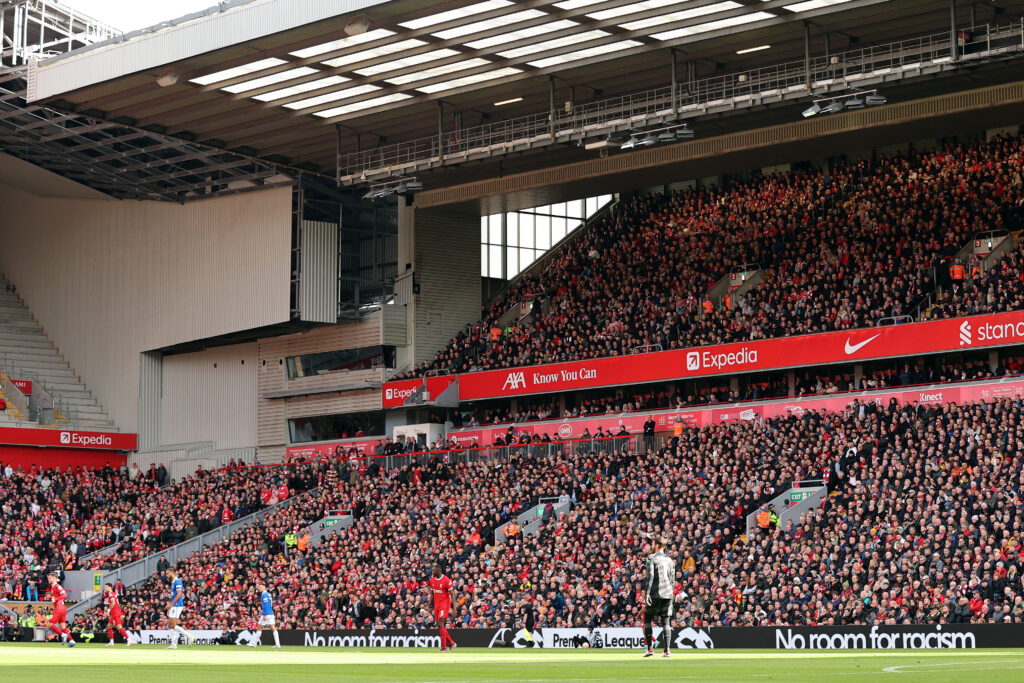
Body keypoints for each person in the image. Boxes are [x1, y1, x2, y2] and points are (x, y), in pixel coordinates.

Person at [642, 536, 676, 658]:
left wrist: (647, 593)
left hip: (655, 593)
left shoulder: (650, 558)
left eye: (652, 543)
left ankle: (650, 649)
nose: (651, 545)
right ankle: (667, 650)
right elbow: (673, 579)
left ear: (656, 545)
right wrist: (671, 593)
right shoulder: (670, 560)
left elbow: (650, 576)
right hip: (668, 594)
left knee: (647, 619)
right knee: (666, 622)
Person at [429, 566, 456, 652]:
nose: (432, 572)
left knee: (440, 623)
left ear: (438, 571)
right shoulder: (432, 580)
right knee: (440, 626)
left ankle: (444, 648)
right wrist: (429, 605)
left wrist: (454, 608)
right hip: (436, 605)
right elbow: (432, 594)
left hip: (444, 605)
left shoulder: (446, 580)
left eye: (433, 570)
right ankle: (452, 643)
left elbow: (452, 594)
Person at [46, 573, 74, 647]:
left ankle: (63, 635)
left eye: (50, 578)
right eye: (48, 578)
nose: (48, 579)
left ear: (55, 578)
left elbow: (64, 595)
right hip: (62, 609)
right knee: (62, 627)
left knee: (49, 624)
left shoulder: (57, 586)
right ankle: (71, 641)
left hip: (59, 608)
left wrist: (55, 599)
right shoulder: (53, 588)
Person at [166, 569, 192, 649]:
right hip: (174, 605)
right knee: (170, 625)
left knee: (172, 624)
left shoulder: (177, 581)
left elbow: (179, 594)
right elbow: (174, 595)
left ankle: (189, 636)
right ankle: (174, 644)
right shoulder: (173, 582)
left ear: (172, 573)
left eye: (168, 573)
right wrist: (170, 606)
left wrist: (171, 605)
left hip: (177, 605)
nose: (167, 575)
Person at [253, 582, 281, 648]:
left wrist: (264, 614)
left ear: (264, 588)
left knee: (259, 628)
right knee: (273, 628)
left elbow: (265, 605)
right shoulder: (268, 594)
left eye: (260, 587)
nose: (259, 588)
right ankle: (278, 644)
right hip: (271, 613)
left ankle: (254, 643)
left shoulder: (264, 595)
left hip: (266, 614)